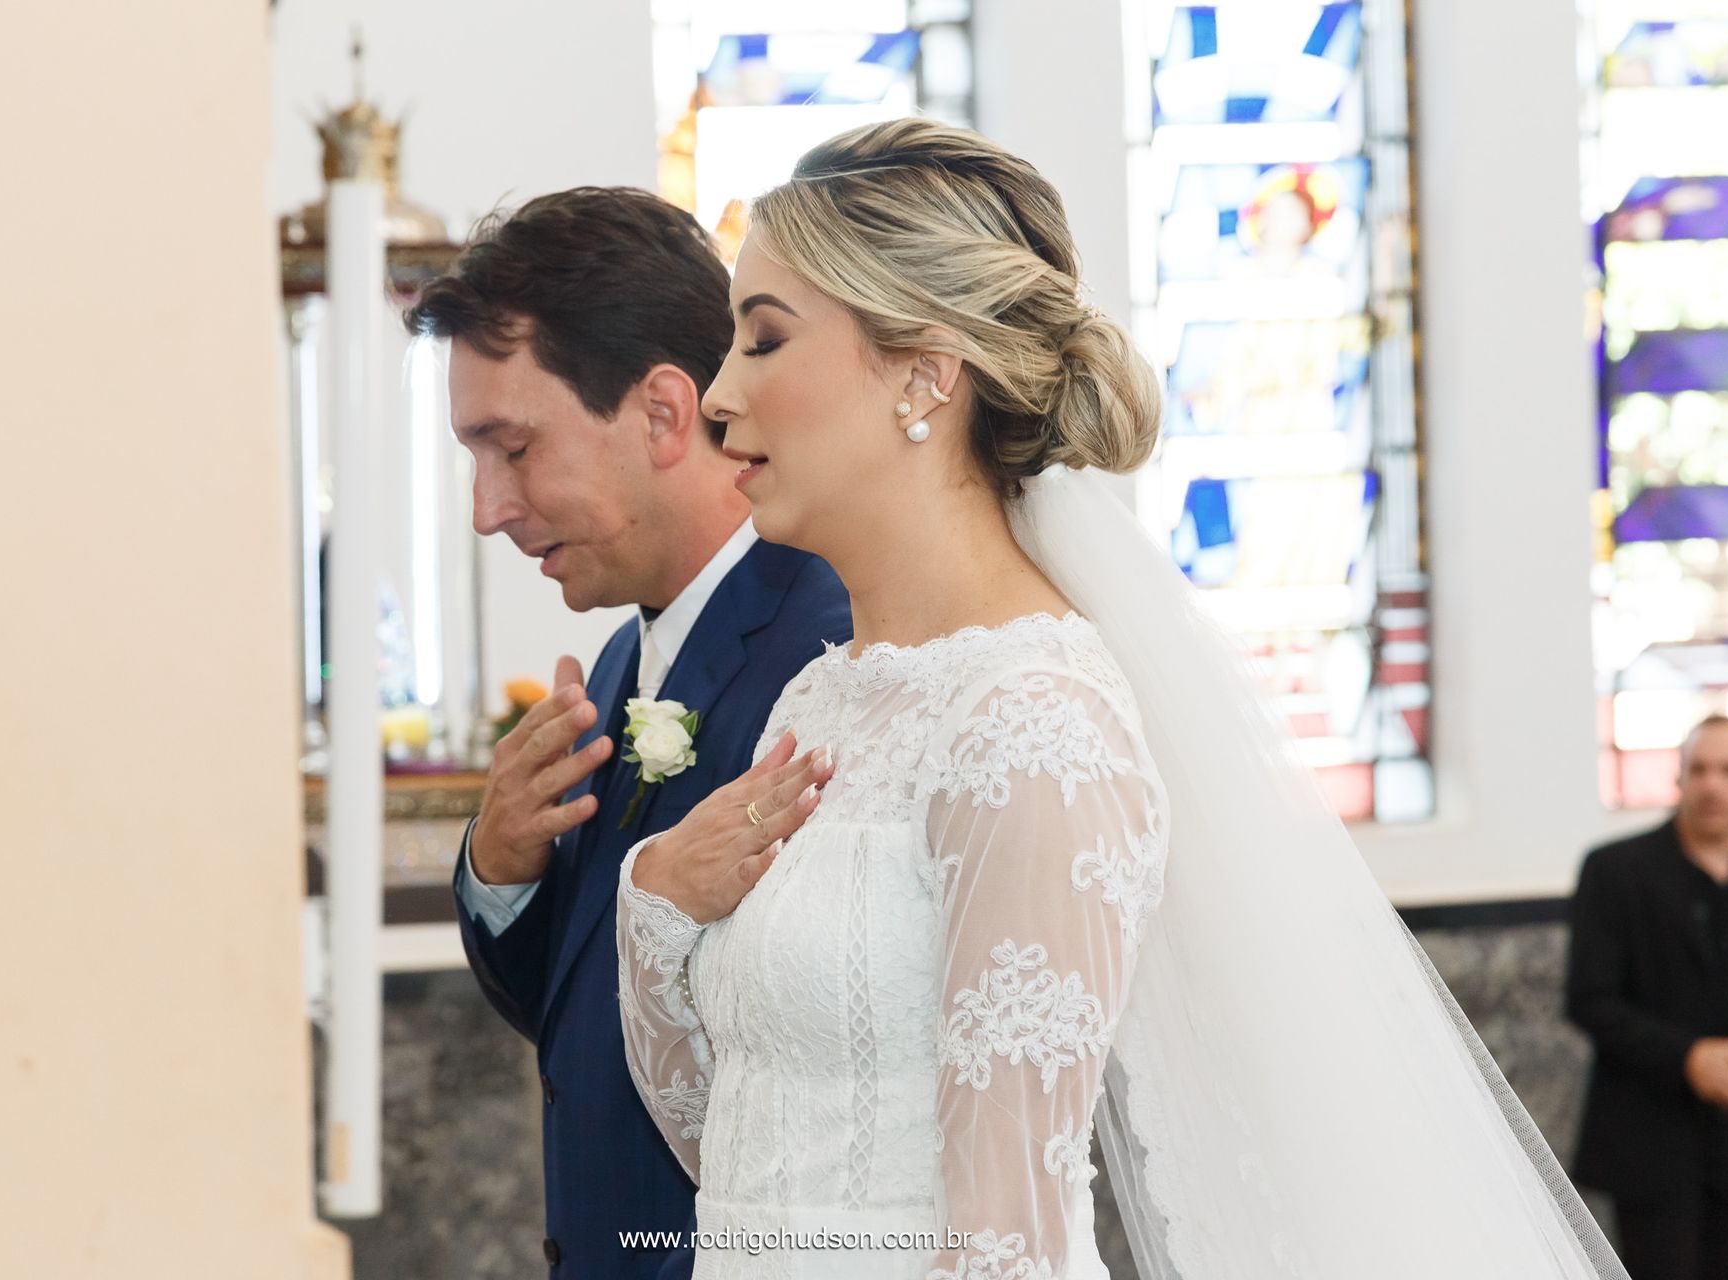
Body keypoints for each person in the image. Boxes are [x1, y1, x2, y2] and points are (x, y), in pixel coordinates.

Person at [612, 119, 1630, 1279]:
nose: (719, 395)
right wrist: (654, 897)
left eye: (763, 340)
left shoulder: (1032, 721)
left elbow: (1006, 1236)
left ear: (924, 375)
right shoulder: (829, 692)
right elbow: (740, 1153)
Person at [404, 187, 850, 1279]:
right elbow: (586, 1017)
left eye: (511, 448)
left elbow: (825, 1062)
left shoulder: (827, 653)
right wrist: (502, 865)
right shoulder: (617, 664)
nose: (486, 508)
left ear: (661, 412)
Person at [1570, 713, 1728, 1279]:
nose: (1712, 785)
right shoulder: (1614, 871)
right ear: (1677, 779)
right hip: (1652, 1140)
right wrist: (1691, 1058)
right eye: (1698, 769)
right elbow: (1590, 998)